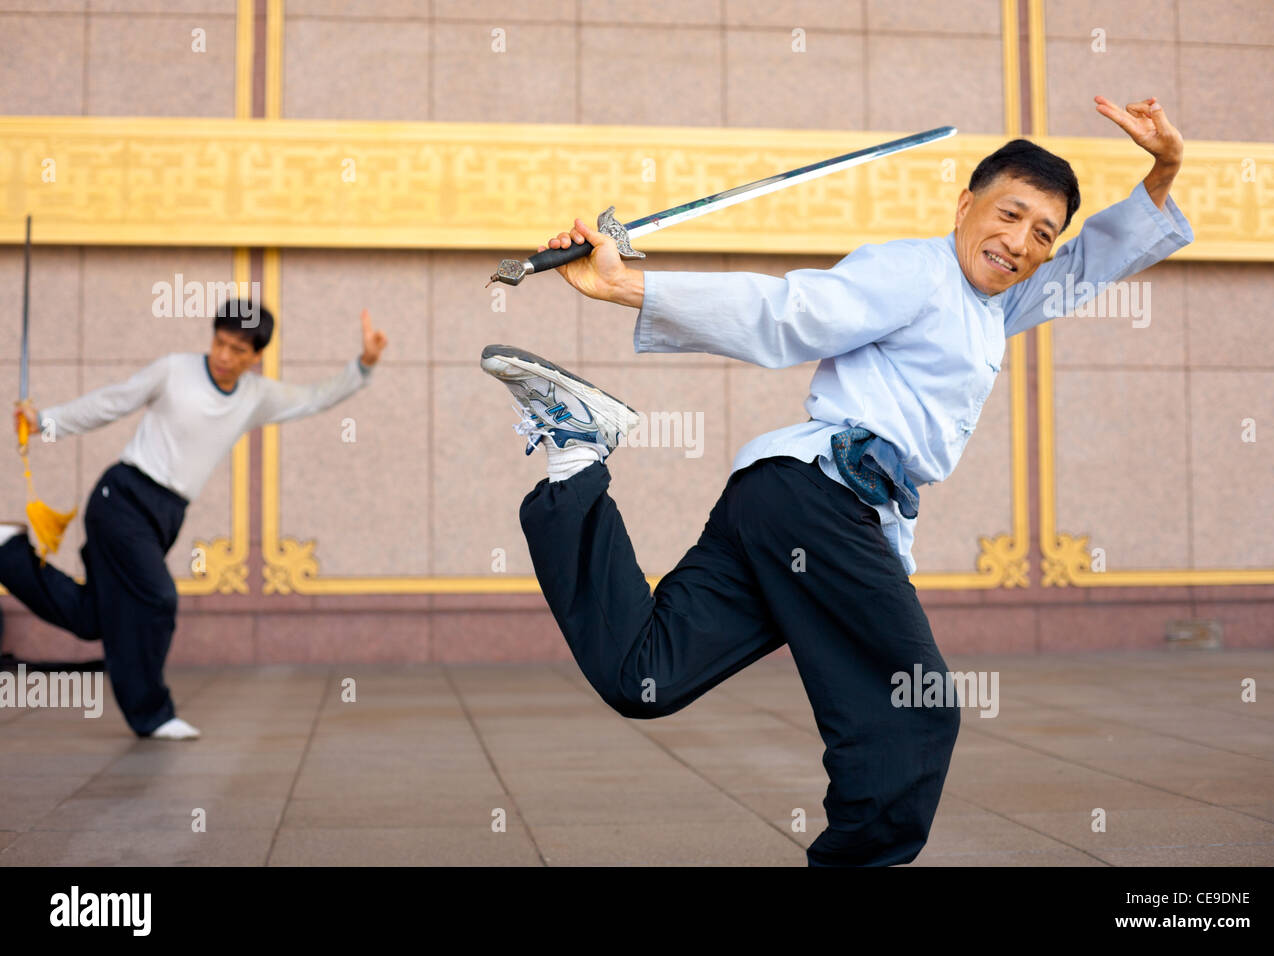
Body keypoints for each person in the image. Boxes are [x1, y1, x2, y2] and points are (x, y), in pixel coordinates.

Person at [480, 95, 1192, 866]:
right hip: (821, 503)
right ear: (964, 206)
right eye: (1009, 214)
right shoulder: (914, 272)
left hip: (781, 507)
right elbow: (794, 311)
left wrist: (1165, 169)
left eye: (1041, 233)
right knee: (913, 713)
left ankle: (577, 453)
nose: (1020, 241)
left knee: (645, 674)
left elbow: (1088, 267)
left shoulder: (993, 303)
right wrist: (628, 288)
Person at [0, 300, 388, 739]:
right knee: (158, 598)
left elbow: (314, 398)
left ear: (256, 356)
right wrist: (45, 421)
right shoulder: (173, 370)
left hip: (165, 515)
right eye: (220, 343)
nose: (224, 356)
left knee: (94, 618)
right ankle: (154, 714)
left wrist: (363, 366)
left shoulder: (256, 397)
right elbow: (110, 403)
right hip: (121, 499)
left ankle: (9, 552)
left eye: (238, 350)